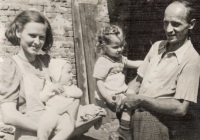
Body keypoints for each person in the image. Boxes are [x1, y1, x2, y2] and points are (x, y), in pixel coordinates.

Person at [116, 0, 200, 140]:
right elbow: (138, 81)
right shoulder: (156, 47)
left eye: (176, 24)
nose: (168, 29)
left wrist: (141, 100)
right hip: (134, 118)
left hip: (157, 124)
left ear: (191, 24)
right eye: (165, 22)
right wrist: (124, 95)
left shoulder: (191, 60)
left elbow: (180, 108)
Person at [0, 10, 80, 140]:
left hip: (57, 129)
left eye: (41, 37)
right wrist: (45, 128)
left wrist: (70, 119)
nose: (37, 42)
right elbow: (9, 115)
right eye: (32, 35)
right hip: (29, 133)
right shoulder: (11, 67)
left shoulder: (46, 62)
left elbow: (71, 92)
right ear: (18, 32)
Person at [93, 25, 143, 140]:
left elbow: (133, 63)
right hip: (110, 94)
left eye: (121, 46)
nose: (120, 49)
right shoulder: (103, 62)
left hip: (120, 90)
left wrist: (148, 62)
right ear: (104, 46)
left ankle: (127, 126)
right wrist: (106, 98)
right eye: (115, 47)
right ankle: (124, 129)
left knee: (133, 95)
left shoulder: (120, 58)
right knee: (127, 104)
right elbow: (99, 81)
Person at [38, 59, 83, 140]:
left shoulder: (71, 87)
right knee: (43, 127)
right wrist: (51, 90)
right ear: (57, 74)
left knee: (68, 128)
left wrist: (67, 92)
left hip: (65, 114)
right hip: (51, 112)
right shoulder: (50, 85)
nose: (72, 75)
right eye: (69, 72)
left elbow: (79, 93)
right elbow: (42, 98)